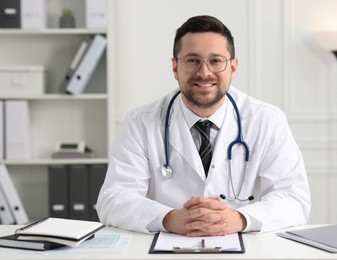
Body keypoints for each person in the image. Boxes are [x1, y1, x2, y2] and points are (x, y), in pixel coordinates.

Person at [96, 15, 311, 237]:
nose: (204, 72)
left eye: (216, 60)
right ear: (175, 67)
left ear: (233, 67)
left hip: (246, 249)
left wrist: (237, 219)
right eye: (192, 60)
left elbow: (294, 198)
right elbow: (114, 198)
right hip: (167, 247)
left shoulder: (267, 120)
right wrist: (169, 218)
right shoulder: (140, 122)